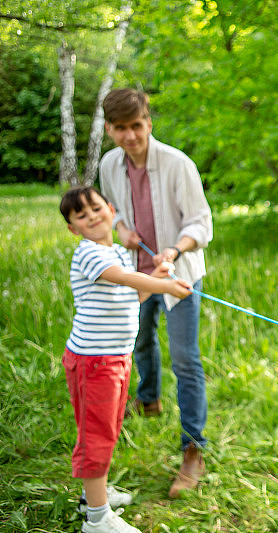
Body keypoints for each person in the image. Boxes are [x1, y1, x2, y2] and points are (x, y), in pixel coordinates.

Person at [99, 88, 213, 498]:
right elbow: (112, 212)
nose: (130, 135)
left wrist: (175, 249)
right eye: (121, 128)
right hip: (135, 272)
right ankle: (148, 399)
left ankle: (193, 448)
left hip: (177, 272)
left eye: (137, 126)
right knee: (140, 339)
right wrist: (121, 230)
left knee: (185, 360)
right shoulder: (110, 164)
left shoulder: (177, 163)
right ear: (110, 129)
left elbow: (201, 222)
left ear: (148, 122)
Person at [60, 186, 192, 533]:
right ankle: (97, 518)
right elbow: (121, 278)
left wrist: (157, 279)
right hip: (94, 361)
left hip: (115, 358)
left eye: (95, 207)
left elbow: (134, 292)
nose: (91, 216)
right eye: (81, 215)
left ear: (111, 209)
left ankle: (96, 495)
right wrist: (163, 287)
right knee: (96, 435)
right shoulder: (88, 253)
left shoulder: (117, 250)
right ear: (73, 228)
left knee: (109, 428)